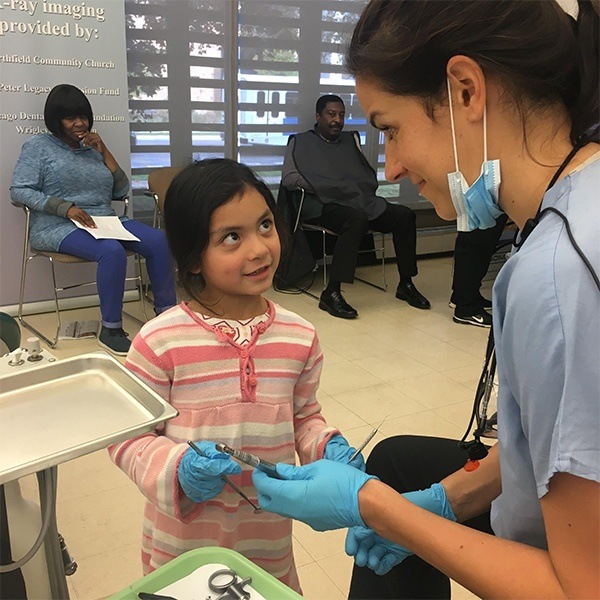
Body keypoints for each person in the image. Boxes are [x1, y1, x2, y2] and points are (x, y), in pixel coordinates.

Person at [252, 1, 600, 598]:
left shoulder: (556, 275)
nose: (392, 165)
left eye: (391, 129)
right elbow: (555, 445)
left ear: (466, 91)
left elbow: (579, 589)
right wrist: (442, 501)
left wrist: (383, 512)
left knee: (386, 482)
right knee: (401, 462)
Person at [108, 158, 365, 593]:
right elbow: (127, 437)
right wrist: (177, 467)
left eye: (265, 225)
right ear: (192, 258)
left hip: (267, 541)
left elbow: (303, 416)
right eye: (232, 237)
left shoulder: (299, 336)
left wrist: (327, 445)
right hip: (182, 545)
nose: (260, 248)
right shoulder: (160, 342)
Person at [10, 84, 176, 356]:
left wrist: (104, 151)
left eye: (83, 116)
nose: (79, 123)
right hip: (57, 225)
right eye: (70, 118)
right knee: (111, 250)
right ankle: (111, 329)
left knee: (158, 240)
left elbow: (121, 191)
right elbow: (19, 191)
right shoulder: (38, 147)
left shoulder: (91, 148)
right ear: (56, 119)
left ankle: (167, 317)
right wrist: (64, 208)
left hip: (103, 220)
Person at [281, 94, 430, 319]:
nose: (337, 120)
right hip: (323, 206)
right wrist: (329, 185)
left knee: (404, 216)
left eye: (341, 115)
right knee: (356, 219)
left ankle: (406, 284)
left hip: (359, 202)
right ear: (318, 116)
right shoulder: (300, 142)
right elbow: (289, 178)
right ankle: (331, 293)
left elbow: (362, 173)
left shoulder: (349, 141)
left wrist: (347, 185)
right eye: (331, 114)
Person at [450, 213, 508, 327]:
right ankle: (467, 307)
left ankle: (463, 296)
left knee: (478, 243)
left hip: (482, 199)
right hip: (481, 199)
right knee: (477, 243)